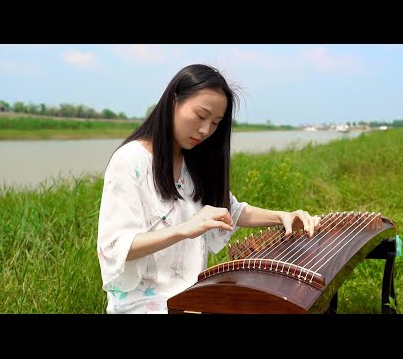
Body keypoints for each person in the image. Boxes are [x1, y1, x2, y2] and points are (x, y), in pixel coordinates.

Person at [96, 63, 321, 314]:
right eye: (201, 116)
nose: (205, 131)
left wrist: (282, 216)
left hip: (192, 294)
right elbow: (116, 247)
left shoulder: (194, 160)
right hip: (143, 303)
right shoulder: (130, 160)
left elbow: (231, 211)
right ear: (174, 102)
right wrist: (186, 229)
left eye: (215, 123)